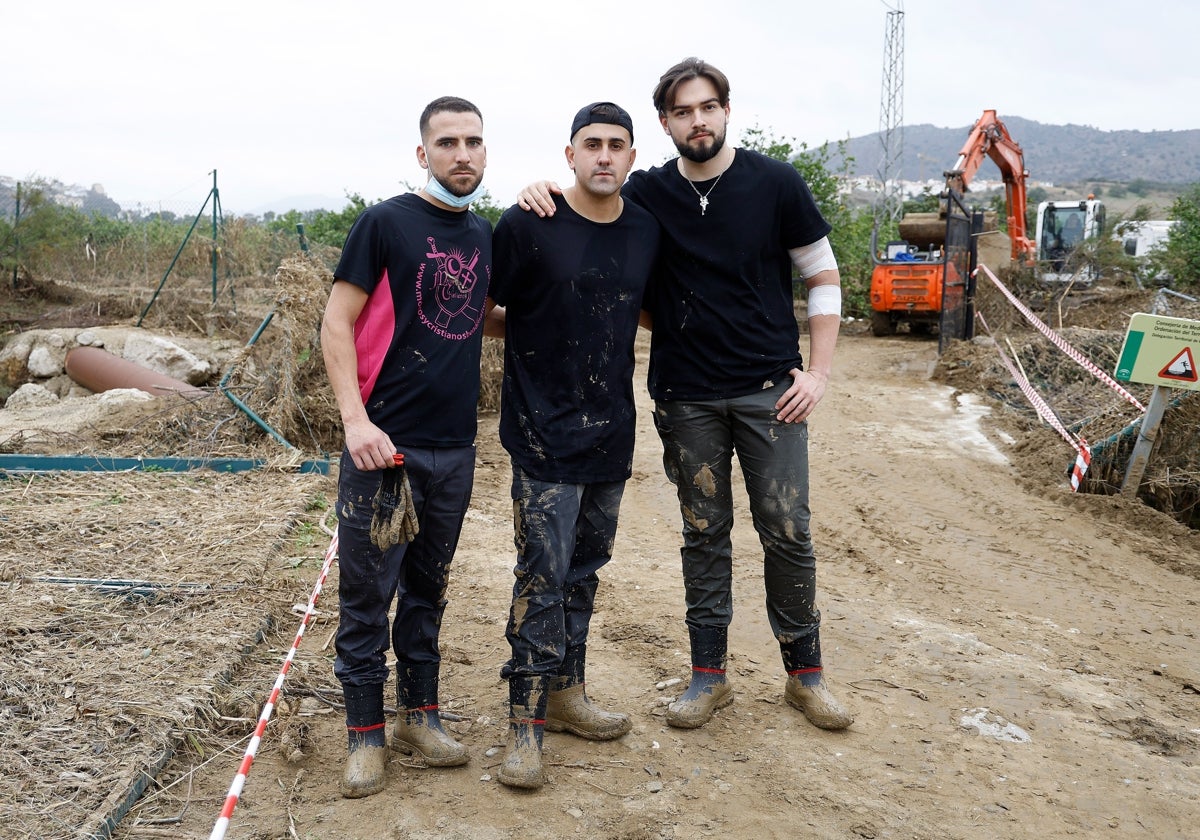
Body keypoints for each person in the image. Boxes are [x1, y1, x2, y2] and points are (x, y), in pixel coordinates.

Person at [519, 57, 853, 732]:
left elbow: (822, 274)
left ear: (726, 110)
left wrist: (817, 373)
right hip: (686, 396)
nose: (696, 120)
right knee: (704, 534)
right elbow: (597, 227)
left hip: (770, 393)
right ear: (666, 122)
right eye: (681, 110)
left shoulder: (775, 183)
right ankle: (709, 678)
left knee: (788, 532)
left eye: (707, 107)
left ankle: (805, 676)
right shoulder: (646, 193)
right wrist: (541, 193)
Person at [321, 95, 493, 799]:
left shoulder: (484, 233)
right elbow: (336, 323)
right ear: (423, 154)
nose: (462, 154)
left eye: (473, 142)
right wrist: (355, 422)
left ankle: (420, 715)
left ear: (486, 152)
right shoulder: (385, 223)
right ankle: (365, 737)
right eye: (447, 142)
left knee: (428, 591)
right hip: (383, 449)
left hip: (454, 448)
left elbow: (484, 313)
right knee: (367, 596)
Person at [486, 102, 660, 790]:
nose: (605, 156)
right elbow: (482, 310)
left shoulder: (645, 229)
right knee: (542, 577)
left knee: (585, 571)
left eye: (618, 145)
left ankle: (567, 691)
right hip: (541, 433)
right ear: (569, 156)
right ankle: (524, 722)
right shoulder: (531, 222)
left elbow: (647, 307)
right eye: (593, 144)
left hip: (611, 432)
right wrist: (534, 340)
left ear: (632, 157)